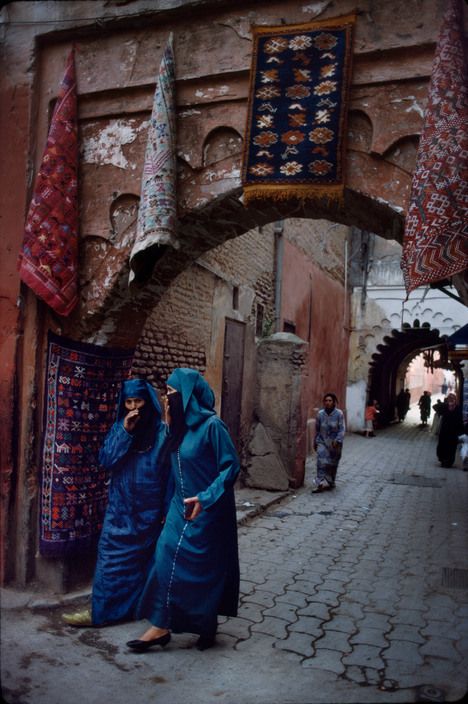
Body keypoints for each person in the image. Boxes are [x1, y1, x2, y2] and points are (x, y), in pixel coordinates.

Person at [127, 368, 240, 652]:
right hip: (180, 505)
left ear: (187, 397)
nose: (166, 399)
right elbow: (169, 462)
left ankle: (206, 624)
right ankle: (161, 626)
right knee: (164, 554)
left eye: (172, 394)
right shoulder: (176, 426)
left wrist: (206, 497)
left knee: (203, 569)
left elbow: (231, 467)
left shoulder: (213, 426)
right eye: (166, 393)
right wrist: (167, 424)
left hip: (208, 508)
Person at [63, 378, 168, 627]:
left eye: (138, 401)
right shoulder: (120, 428)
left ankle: (135, 609)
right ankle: (101, 613)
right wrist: (125, 430)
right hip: (120, 510)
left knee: (142, 564)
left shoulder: (164, 434)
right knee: (110, 559)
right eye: (129, 401)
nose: (134, 407)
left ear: (148, 402)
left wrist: (164, 509)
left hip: (150, 511)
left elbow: (170, 474)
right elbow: (107, 459)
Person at [311, 393, 345, 493]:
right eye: (326, 401)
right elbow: (317, 429)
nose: (328, 402)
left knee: (332, 464)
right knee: (321, 462)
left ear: (334, 402)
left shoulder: (339, 414)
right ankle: (319, 483)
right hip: (322, 441)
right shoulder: (320, 414)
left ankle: (331, 481)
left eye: (330, 400)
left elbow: (342, 429)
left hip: (335, 444)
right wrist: (315, 442)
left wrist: (338, 440)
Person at [436, 393, 465, 468]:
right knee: (442, 446)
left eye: (453, 399)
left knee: (451, 448)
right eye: (450, 399)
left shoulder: (458, 408)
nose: (451, 400)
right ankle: (443, 461)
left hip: (453, 431)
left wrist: (461, 431)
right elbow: (435, 407)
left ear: (455, 400)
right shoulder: (445, 407)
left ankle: (448, 462)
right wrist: (445, 404)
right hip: (444, 430)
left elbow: (460, 420)